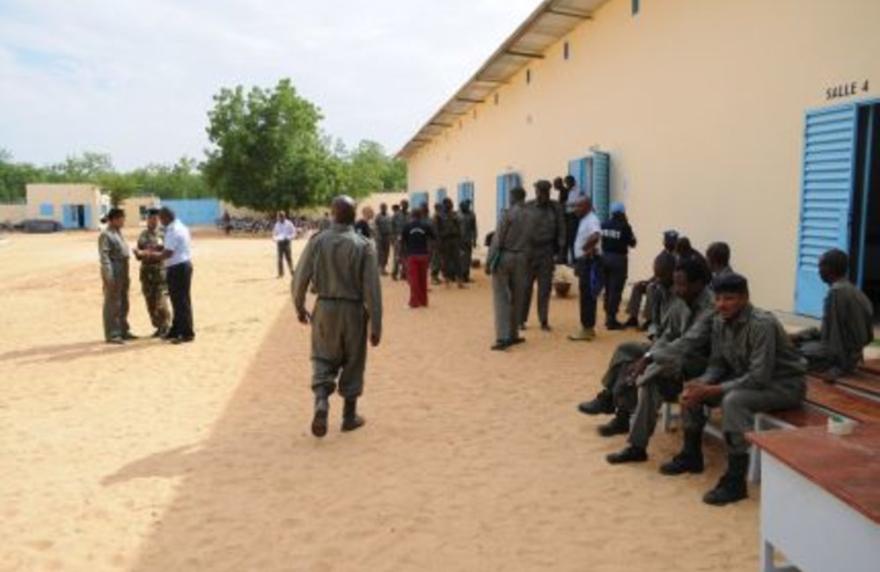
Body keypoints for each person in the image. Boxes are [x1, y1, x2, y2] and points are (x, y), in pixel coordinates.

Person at [660, 273, 806, 506]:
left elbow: (759, 377)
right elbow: (718, 363)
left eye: (729, 298)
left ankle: (735, 481)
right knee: (695, 386)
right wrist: (702, 384)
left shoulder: (762, 324)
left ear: (745, 298)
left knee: (734, 401)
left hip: (784, 385)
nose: (721, 304)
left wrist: (713, 390)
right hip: (750, 379)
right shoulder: (719, 320)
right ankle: (691, 455)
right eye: (718, 298)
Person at [605, 257, 714, 463]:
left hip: (707, 368)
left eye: (682, 284)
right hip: (681, 363)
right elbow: (669, 334)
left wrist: (649, 358)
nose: (677, 289)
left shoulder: (710, 308)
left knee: (653, 371)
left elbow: (688, 343)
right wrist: (651, 354)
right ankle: (637, 447)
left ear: (698, 284)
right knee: (651, 382)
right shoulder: (682, 301)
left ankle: (691, 455)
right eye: (676, 283)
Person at [292, 196, 383, 438]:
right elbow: (372, 289)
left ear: (332, 214)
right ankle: (349, 416)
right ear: (354, 216)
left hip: (325, 308)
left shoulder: (317, 241)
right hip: (354, 310)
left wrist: (299, 307)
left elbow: (300, 277)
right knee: (354, 361)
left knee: (322, 358)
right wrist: (376, 325)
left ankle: (321, 400)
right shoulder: (364, 246)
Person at [578, 253, 677, 416]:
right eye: (656, 275)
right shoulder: (659, 291)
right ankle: (609, 398)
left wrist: (652, 350)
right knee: (624, 349)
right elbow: (655, 323)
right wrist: (653, 334)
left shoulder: (679, 297)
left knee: (628, 363)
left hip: (668, 350)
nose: (658, 280)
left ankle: (616, 406)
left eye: (662, 276)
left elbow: (676, 336)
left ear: (673, 274)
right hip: (656, 344)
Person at [791, 249, 874, 377]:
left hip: (841, 356)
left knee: (787, 352)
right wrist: (800, 336)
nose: (818, 271)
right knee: (795, 342)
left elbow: (834, 340)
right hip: (850, 352)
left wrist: (839, 368)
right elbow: (828, 332)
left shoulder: (837, 293)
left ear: (829, 268)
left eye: (820, 266)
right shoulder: (855, 291)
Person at [137, 207, 195, 344]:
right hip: (178, 267)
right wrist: (154, 249)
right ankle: (175, 330)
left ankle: (186, 333)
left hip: (178, 268)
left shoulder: (174, 230)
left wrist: (147, 254)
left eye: (160, 219)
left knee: (181, 302)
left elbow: (167, 254)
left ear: (166, 217)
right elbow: (166, 248)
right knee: (177, 301)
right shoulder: (178, 227)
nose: (159, 221)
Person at [488, 186, 531, 350]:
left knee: (501, 297)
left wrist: (490, 260)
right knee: (518, 296)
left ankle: (502, 337)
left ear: (513, 197)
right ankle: (514, 334)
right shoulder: (530, 215)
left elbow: (498, 239)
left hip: (505, 257)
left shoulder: (508, 214)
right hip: (522, 257)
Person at [521, 179, 565, 331]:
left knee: (544, 289)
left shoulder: (556, 208)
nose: (540, 195)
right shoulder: (527, 206)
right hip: (529, 252)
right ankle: (521, 320)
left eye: (544, 192)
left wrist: (561, 251)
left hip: (547, 252)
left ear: (548, 192)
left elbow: (562, 229)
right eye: (539, 192)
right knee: (525, 287)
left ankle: (543, 320)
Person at [624, 230, 678, 330]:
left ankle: (650, 320)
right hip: (659, 282)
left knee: (651, 288)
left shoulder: (678, 256)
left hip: (671, 285)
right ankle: (633, 317)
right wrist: (649, 280)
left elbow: (675, 276)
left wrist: (654, 282)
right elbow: (657, 273)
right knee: (638, 286)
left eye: (671, 241)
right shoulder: (663, 254)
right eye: (667, 240)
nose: (668, 243)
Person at [568, 195, 602, 341]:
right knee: (586, 294)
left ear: (587, 206)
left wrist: (585, 248)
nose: (575, 209)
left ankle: (587, 328)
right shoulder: (584, 219)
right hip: (584, 261)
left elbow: (596, 236)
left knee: (587, 295)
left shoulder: (592, 219)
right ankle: (587, 327)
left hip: (588, 262)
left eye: (578, 206)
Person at [98, 208, 134, 344]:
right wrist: (108, 275)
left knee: (123, 301)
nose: (123, 221)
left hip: (123, 269)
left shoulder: (118, 233)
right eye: (121, 218)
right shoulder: (106, 235)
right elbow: (104, 257)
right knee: (112, 303)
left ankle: (123, 330)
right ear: (113, 220)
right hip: (114, 269)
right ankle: (112, 334)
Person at [134, 208, 171, 338]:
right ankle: (159, 327)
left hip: (160, 273)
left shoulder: (163, 234)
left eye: (156, 219)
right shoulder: (143, 235)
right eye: (151, 219)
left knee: (161, 303)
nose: (153, 221)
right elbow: (138, 254)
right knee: (150, 303)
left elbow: (166, 251)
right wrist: (143, 252)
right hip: (146, 274)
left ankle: (166, 326)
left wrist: (147, 251)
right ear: (147, 220)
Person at [601, 202, 637, 330]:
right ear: (622, 212)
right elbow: (633, 243)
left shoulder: (604, 224)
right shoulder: (624, 226)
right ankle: (612, 320)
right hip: (619, 260)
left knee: (608, 289)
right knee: (615, 290)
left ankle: (607, 318)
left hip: (604, 258)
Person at [401, 206, 436, 308]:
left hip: (412, 256)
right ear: (421, 215)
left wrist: (402, 255)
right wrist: (429, 248)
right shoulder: (426, 226)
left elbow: (403, 241)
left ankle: (414, 302)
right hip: (424, 255)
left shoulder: (407, 226)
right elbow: (434, 237)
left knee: (414, 280)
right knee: (423, 279)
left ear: (411, 215)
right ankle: (424, 301)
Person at [436, 198, 465, 288]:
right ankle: (446, 281)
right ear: (444, 205)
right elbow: (437, 231)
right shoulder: (439, 216)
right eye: (448, 204)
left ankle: (459, 281)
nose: (450, 205)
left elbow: (459, 229)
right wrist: (439, 243)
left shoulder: (455, 215)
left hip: (455, 240)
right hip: (445, 240)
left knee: (458, 261)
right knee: (445, 262)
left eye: (451, 204)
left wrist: (461, 242)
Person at [560, 175, 580, 264]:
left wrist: (566, 204)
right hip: (568, 217)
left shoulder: (577, 191)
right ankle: (566, 259)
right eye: (566, 183)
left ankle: (575, 260)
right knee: (567, 238)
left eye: (567, 183)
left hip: (574, 216)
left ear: (572, 182)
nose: (566, 185)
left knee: (572, 239)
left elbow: (575, 203)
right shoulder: (569, 191)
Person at [273, 211, 297, 278]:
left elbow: (294, 232)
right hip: (280, 242)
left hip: (287, 242)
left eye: (281, 217)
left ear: (284, 217)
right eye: (279, 217)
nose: (279, 219)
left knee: (288, 258)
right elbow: (275, 233)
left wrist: (289, 237)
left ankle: (292, 271)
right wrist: (275, 238)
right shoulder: (277, 224)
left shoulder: (289, 224)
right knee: (280, 258)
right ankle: (280, 273)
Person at [459, 199, 478, 283]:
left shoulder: (472, 215)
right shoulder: (457, 215)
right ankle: (460, 276)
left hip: (467, 240)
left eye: (467, 206)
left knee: (467, 258)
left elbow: (474, 228)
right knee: (460, 258)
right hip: (459, 240)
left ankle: (466, 276)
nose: (466, 207)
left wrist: (474, 239)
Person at [393, 200, 410, 281]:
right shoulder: (396, 215)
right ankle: (394, 273)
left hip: (407, 239)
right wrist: (394, 237)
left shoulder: (409, 215)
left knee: (406, 256)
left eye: (406, 205)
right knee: (397, 256)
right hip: (398, 238)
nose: (405, 206)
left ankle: (404, 274)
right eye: (404, 205)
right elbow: (391, 226)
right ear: (401, 205)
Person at [374, 203, 393, 276]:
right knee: (380, 253)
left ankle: (384, 268)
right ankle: (380, 269)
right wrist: (378, 236)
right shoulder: (378, 217)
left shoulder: (389, 216)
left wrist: (391, 236)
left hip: (387, 237)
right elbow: (376, 227)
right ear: (380, 208)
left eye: (385, 207)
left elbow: (391, 226)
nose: (384, 208)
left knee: (386, 253)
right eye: (382, 207)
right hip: (380, 237)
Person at [430, 202, 443, 285]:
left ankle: (436, 276)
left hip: (438, 241)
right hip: (436, 242)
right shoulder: (436, 217)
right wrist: (438, 241)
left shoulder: (438, 216)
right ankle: (433, 277)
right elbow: (436, 231)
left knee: (438, 260)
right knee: (435, 260)